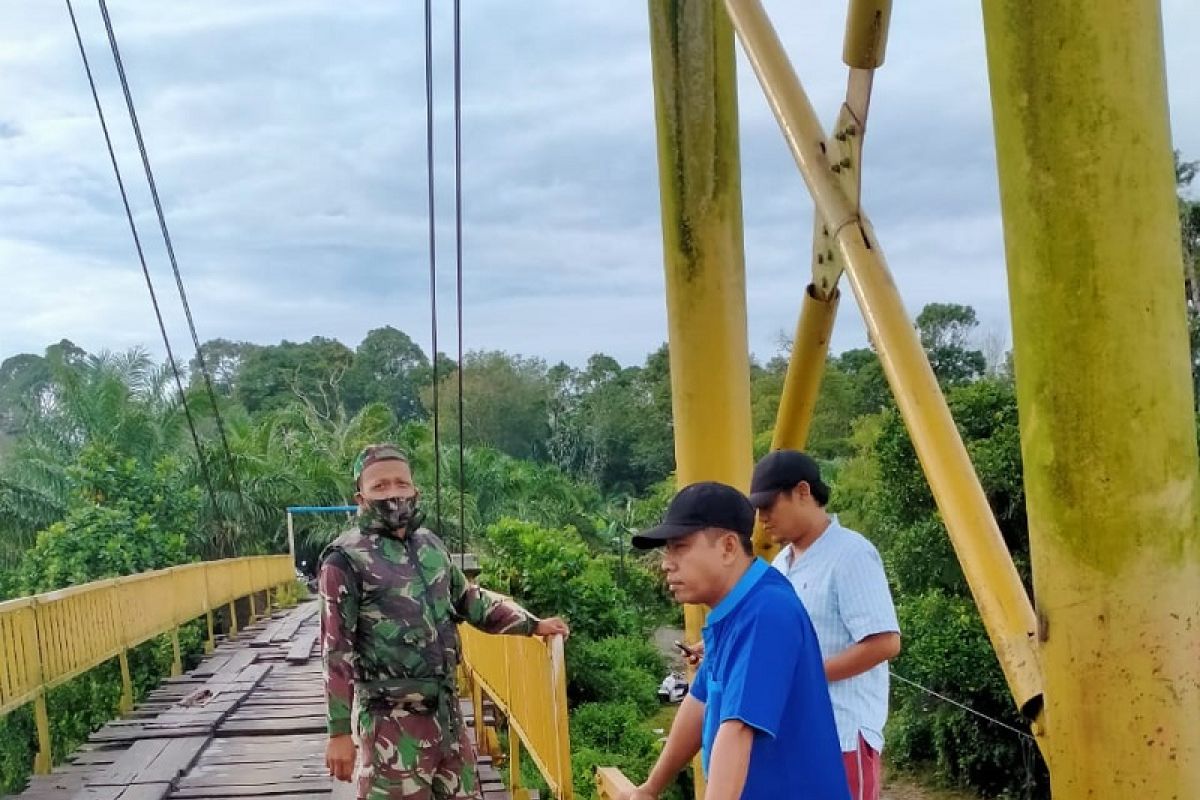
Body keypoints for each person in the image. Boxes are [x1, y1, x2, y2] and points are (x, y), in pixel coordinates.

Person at [319, 444, 570, 800]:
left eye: (400, 483)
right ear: (360, 497)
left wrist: (532, 624)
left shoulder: (430, 546)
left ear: (414, 491)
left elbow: (469, 600)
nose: (392, 493)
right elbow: (335, 650)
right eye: (379, 486)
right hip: (390, 723)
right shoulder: (344, 560)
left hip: (447, 718)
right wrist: (338, 733)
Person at [621, 481, 850, 800]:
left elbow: (737, 729)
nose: (666, 563)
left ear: (728, 547)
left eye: (679, 547)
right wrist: (650, 788)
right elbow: (700, 701)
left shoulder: (767, 611)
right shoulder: (736, 609)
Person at [750, 450, 901, 800]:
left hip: (842, 734)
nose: (762, 518)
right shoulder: (780, 565)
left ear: (803, 491)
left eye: (768, 505)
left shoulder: (851, 554)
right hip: (791, 735)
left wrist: (806, 676)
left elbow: (885, 642)